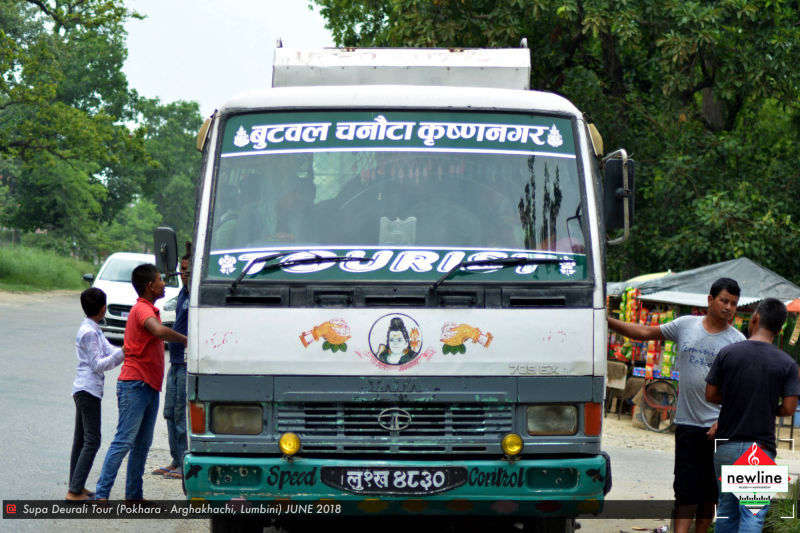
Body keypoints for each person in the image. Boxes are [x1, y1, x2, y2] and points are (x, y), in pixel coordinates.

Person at [607, 277, 745, 533]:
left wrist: (723, 421)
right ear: (710, 300)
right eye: (724, 301)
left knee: (710, 491)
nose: (728, 307)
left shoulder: (738, 342)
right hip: (687, 423)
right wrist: (606, 321)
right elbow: (644, 333)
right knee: (685, 488)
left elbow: (740, 391)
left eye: (733, 304)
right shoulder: (685, 325)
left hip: (719, 427)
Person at [706, 298, 800, 532]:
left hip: (726, 446)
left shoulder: (728, 353)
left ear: (755, 318)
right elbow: (789, 408)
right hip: (760, 448)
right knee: (752, 515)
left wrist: (736, 400)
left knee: (727, 512)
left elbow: (711, 394)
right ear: (780, 328)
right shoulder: (787, 363)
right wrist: (766, 405)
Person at [94, 264, 187, 501]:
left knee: (142, 445)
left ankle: (134, 496)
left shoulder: (149, 309)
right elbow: (159, 331)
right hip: (135, 385)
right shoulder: (142, 309)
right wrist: (186, 339)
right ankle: (101, 495)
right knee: (124, 441)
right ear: (150, 286)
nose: (163, 284)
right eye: (160, 280)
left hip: (149, 387)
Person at [65, 288, 125, 502]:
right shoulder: (89, 332)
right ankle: (74, 491)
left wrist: (123, 349)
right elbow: (97, 364)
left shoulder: (93, 328)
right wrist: (124, 353)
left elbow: (109, 349)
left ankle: (76, 485)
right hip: (87, 390)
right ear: (103, 308)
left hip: (85, 389)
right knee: (92, 441)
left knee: (81, 440)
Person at [152, 246, 191, 480]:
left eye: (186, 270)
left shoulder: (196, 295)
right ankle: (176, 459)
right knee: (169, 413)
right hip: (175, 362)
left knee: (181, 416)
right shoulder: (183, 294)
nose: (182, 274)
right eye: (181, 269)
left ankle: (185, 464)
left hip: (186, 363)